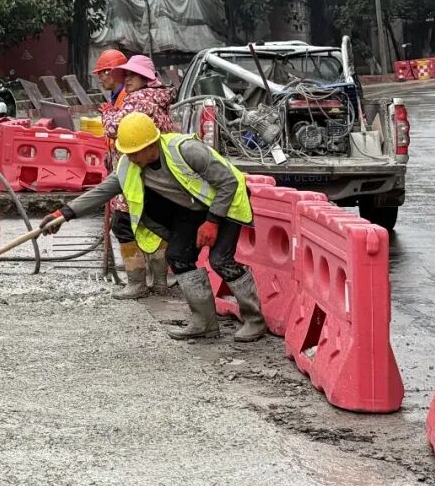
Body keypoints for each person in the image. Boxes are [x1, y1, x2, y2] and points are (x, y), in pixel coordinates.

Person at [43, 112, 267, 342]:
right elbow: (102, 192)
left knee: (221, 260)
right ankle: (205, 323)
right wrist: (63, 214)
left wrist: (213, 221)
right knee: (179, 256)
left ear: (151, 145)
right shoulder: (129, 166)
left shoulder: (186, 150)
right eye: (127, 153)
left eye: (135, 153)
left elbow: (229, 182)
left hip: (226, 204)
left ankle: (255, 320)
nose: (130, 159)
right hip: (191, 209)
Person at [101, 55, 177, 300]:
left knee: (123, 223)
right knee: (155, 225)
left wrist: (107, 116)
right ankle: (161, 282)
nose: (127, 79)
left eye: (132, 75)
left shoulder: (138, 99)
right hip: (159, 173)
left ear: (145, 78)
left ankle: (136, 282)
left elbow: (115, 128)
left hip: (138, 171)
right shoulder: (157, 98)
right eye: (126, 75)